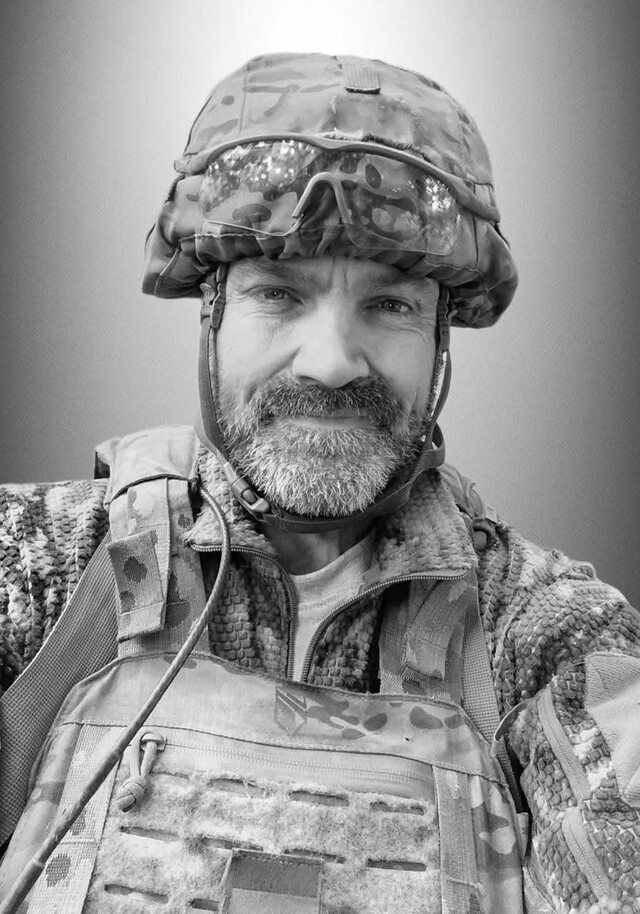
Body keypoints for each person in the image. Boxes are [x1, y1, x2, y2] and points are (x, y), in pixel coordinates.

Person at [0, 51, 639, 914]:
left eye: (390, 304)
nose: (332, 362)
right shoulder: (41, 570)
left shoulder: (547, 636)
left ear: (441, 339)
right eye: (278, 293)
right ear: (211, 315)